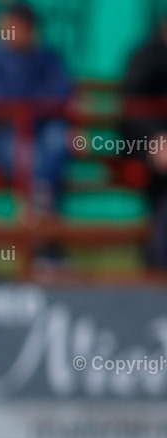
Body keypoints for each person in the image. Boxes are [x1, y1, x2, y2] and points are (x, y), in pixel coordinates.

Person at [0, 3, 74, 216]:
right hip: (3, 135)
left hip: (43, 131)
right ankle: (41, 218)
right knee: (28, 155)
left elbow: (60, 95)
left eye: (18, 26)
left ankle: (35, 213)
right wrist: (28, 107)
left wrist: (26, 109)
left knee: (58, 138)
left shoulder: (48, 58)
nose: (12, 31)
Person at [121, 14, 167, 270]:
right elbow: (132, 111)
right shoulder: (146, 58)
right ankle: (159, 262)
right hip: (144, 145)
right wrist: (156, 137)